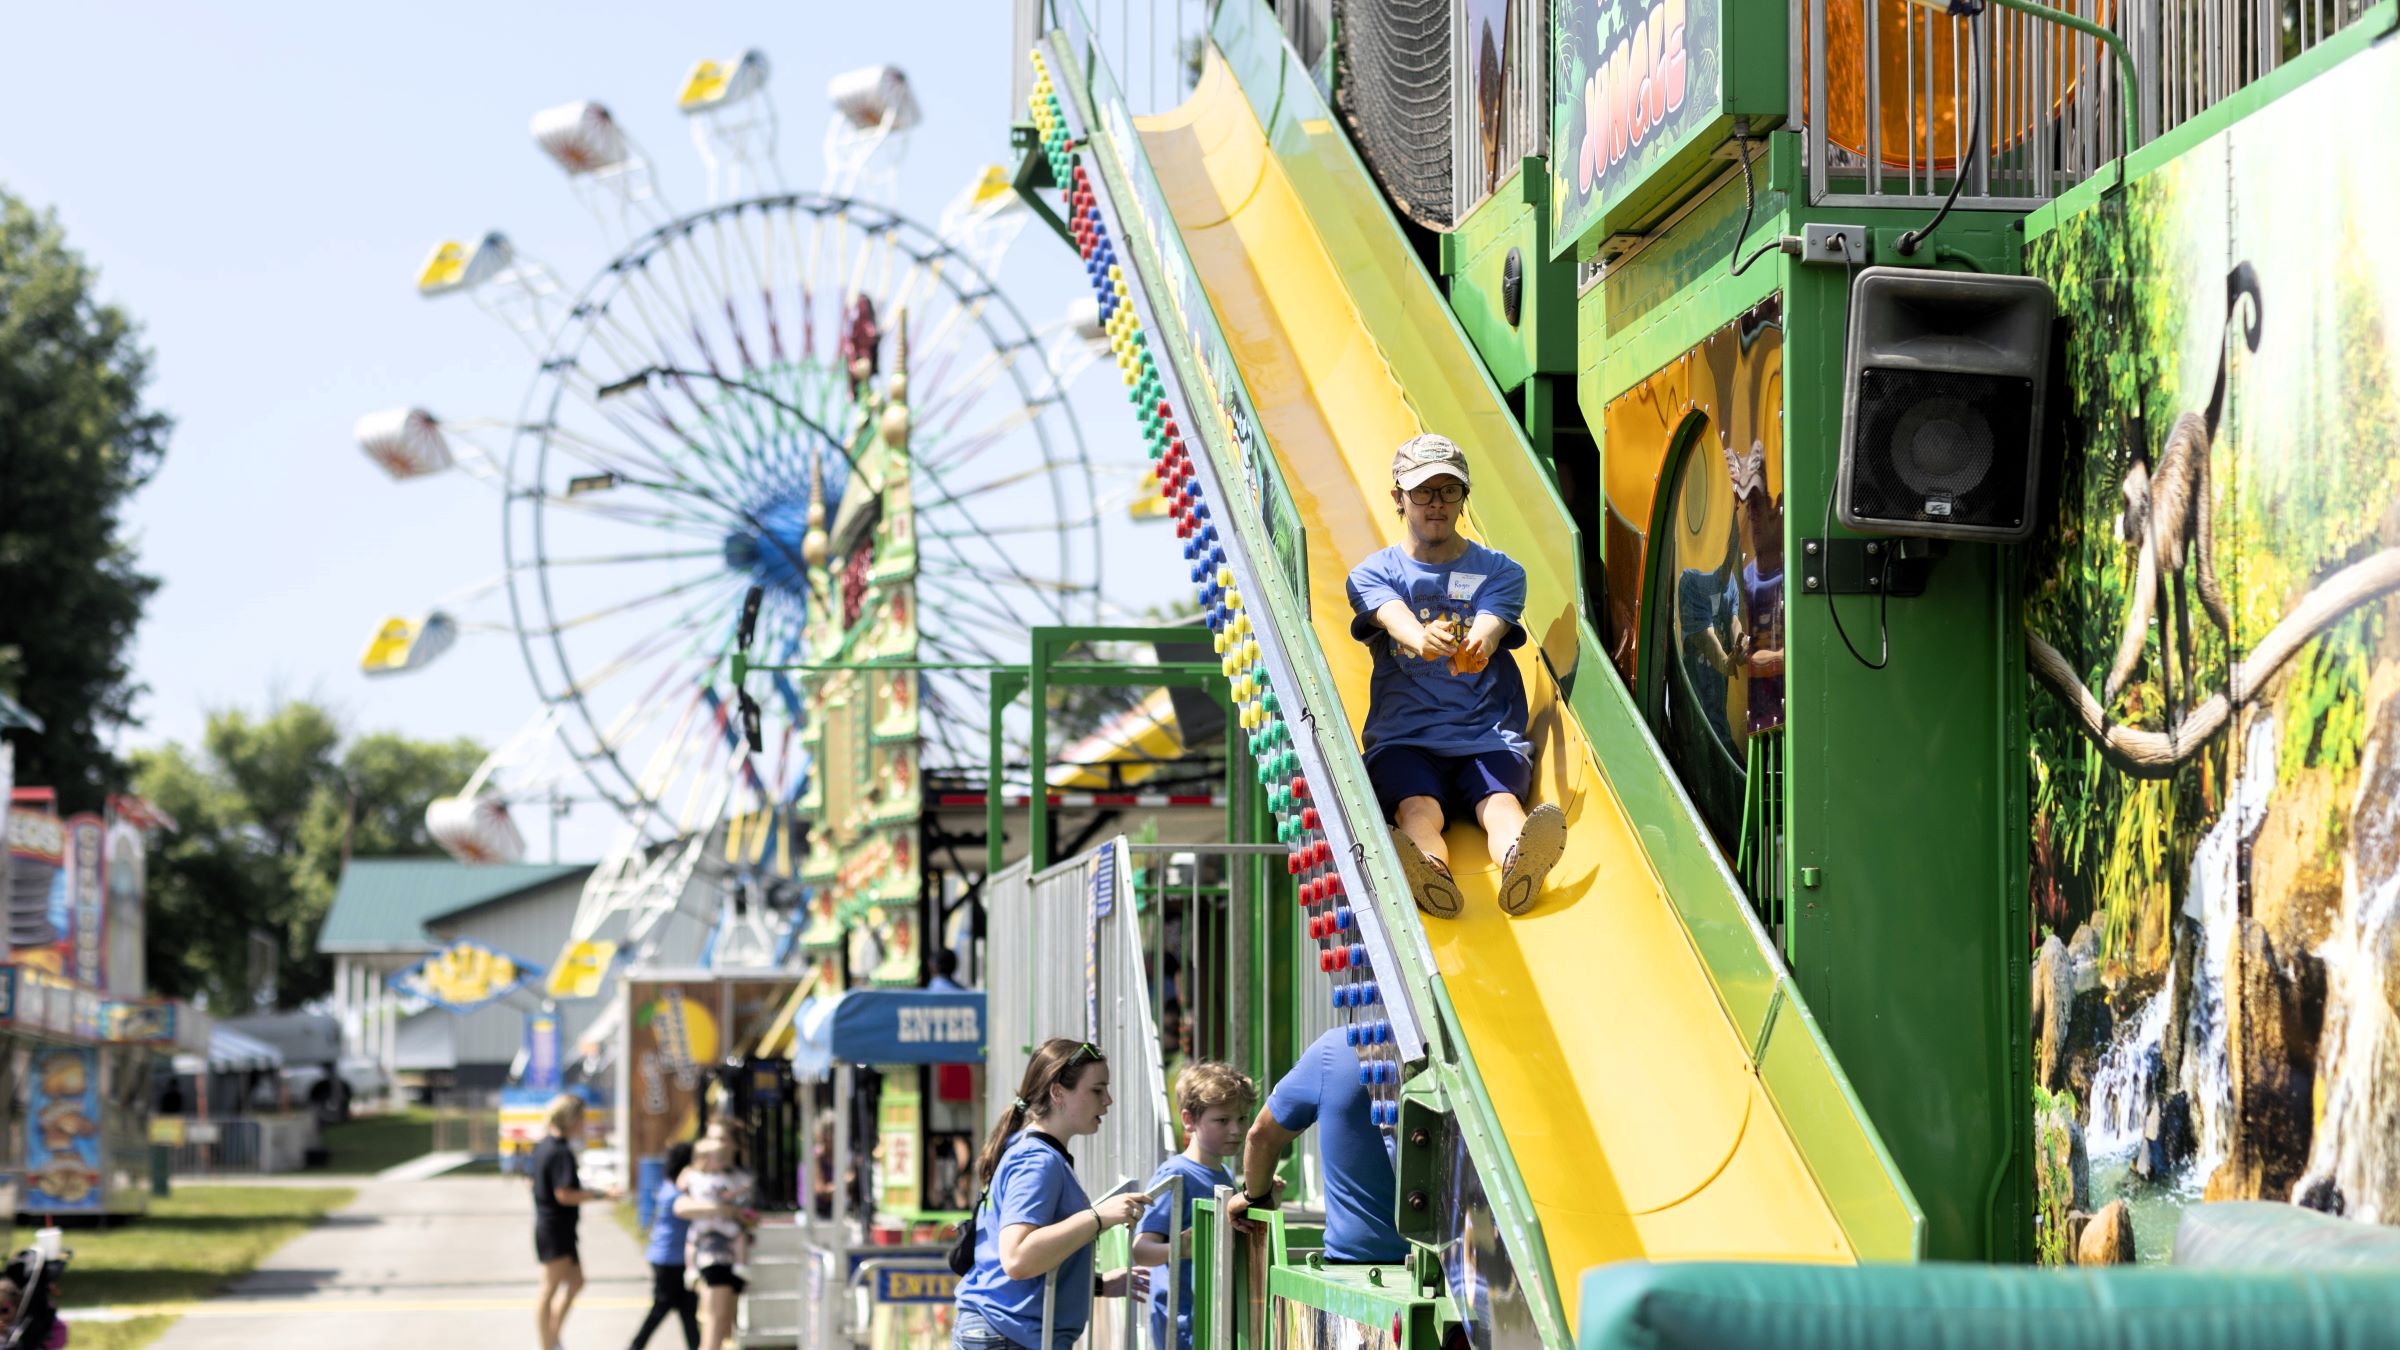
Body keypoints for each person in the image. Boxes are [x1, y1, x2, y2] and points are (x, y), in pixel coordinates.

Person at [1346, 433, 1566, 917]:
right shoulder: (1373, 573)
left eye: (1449, 490)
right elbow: (1389, 614)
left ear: (1464, 497)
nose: (1437, 504)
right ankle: (1429, 870)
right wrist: (1419, 637)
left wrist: (1479, 642)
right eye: (1423, 491)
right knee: (1417, 808)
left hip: (1485, 735)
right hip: (1407, 737)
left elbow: (1493, 620)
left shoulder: (1501, 570)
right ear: (1398, 498)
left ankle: (1518, 863)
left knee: (1502, 804)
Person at [952, 1039, 1148, 1349]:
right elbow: (1017, 1259)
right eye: (1097, 1090)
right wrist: (1098, 1217)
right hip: (1007, 1336)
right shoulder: (1037, 1161)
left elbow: (1033, 1260)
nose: (1108, 1100)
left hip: (1006, 1333)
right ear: (1058, 1093)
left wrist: (1095, 1285)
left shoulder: (1032, 1152)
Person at [1226, 1026, 1406, 1265]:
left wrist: (1254, 1197)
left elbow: (1261, 1136)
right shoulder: (1465, 1041)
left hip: (1360, 1264)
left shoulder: (1337, 1047)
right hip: (1459, 1268)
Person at [1130, 1062, 1255, 1350]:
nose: (1236, 1130)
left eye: (1242, 1118)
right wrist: (1182, 1249)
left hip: (1213, 1321)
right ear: (1188, 1120)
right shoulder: (1176, 1176)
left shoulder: (1223, 1175)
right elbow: (1141, 1250)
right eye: (1222, 1120)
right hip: (1183, 1325)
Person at [531, 1093, 621, 1350]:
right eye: (582, 1118)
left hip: (557, 1227)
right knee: (548, 1290)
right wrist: (602, 1194)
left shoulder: (544, 1145)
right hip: (555, 1228)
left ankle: (553, 1335)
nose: (585, 1124)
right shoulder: (560, 1152)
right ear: (571, 1120)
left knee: (577, 1281)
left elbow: (534, 1180)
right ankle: (547, 1344)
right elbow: (565, 1195)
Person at [675, 1137, 756, 1350]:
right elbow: (680, 1206)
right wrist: (720, 1209)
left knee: (724, 1324)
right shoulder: (695, 1177)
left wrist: (738, 1213)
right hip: (712, 1254)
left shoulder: (733, 1177)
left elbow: (750, 1215)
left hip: (732, 1252)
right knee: (715, 1320)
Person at [629, 1140, 701, 1350]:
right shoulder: (676, 1194)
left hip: (672, 1258)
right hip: (669, 1259)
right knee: (663, 1306)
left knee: (687, 1309)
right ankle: (635, 1346)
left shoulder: (667, 1187)